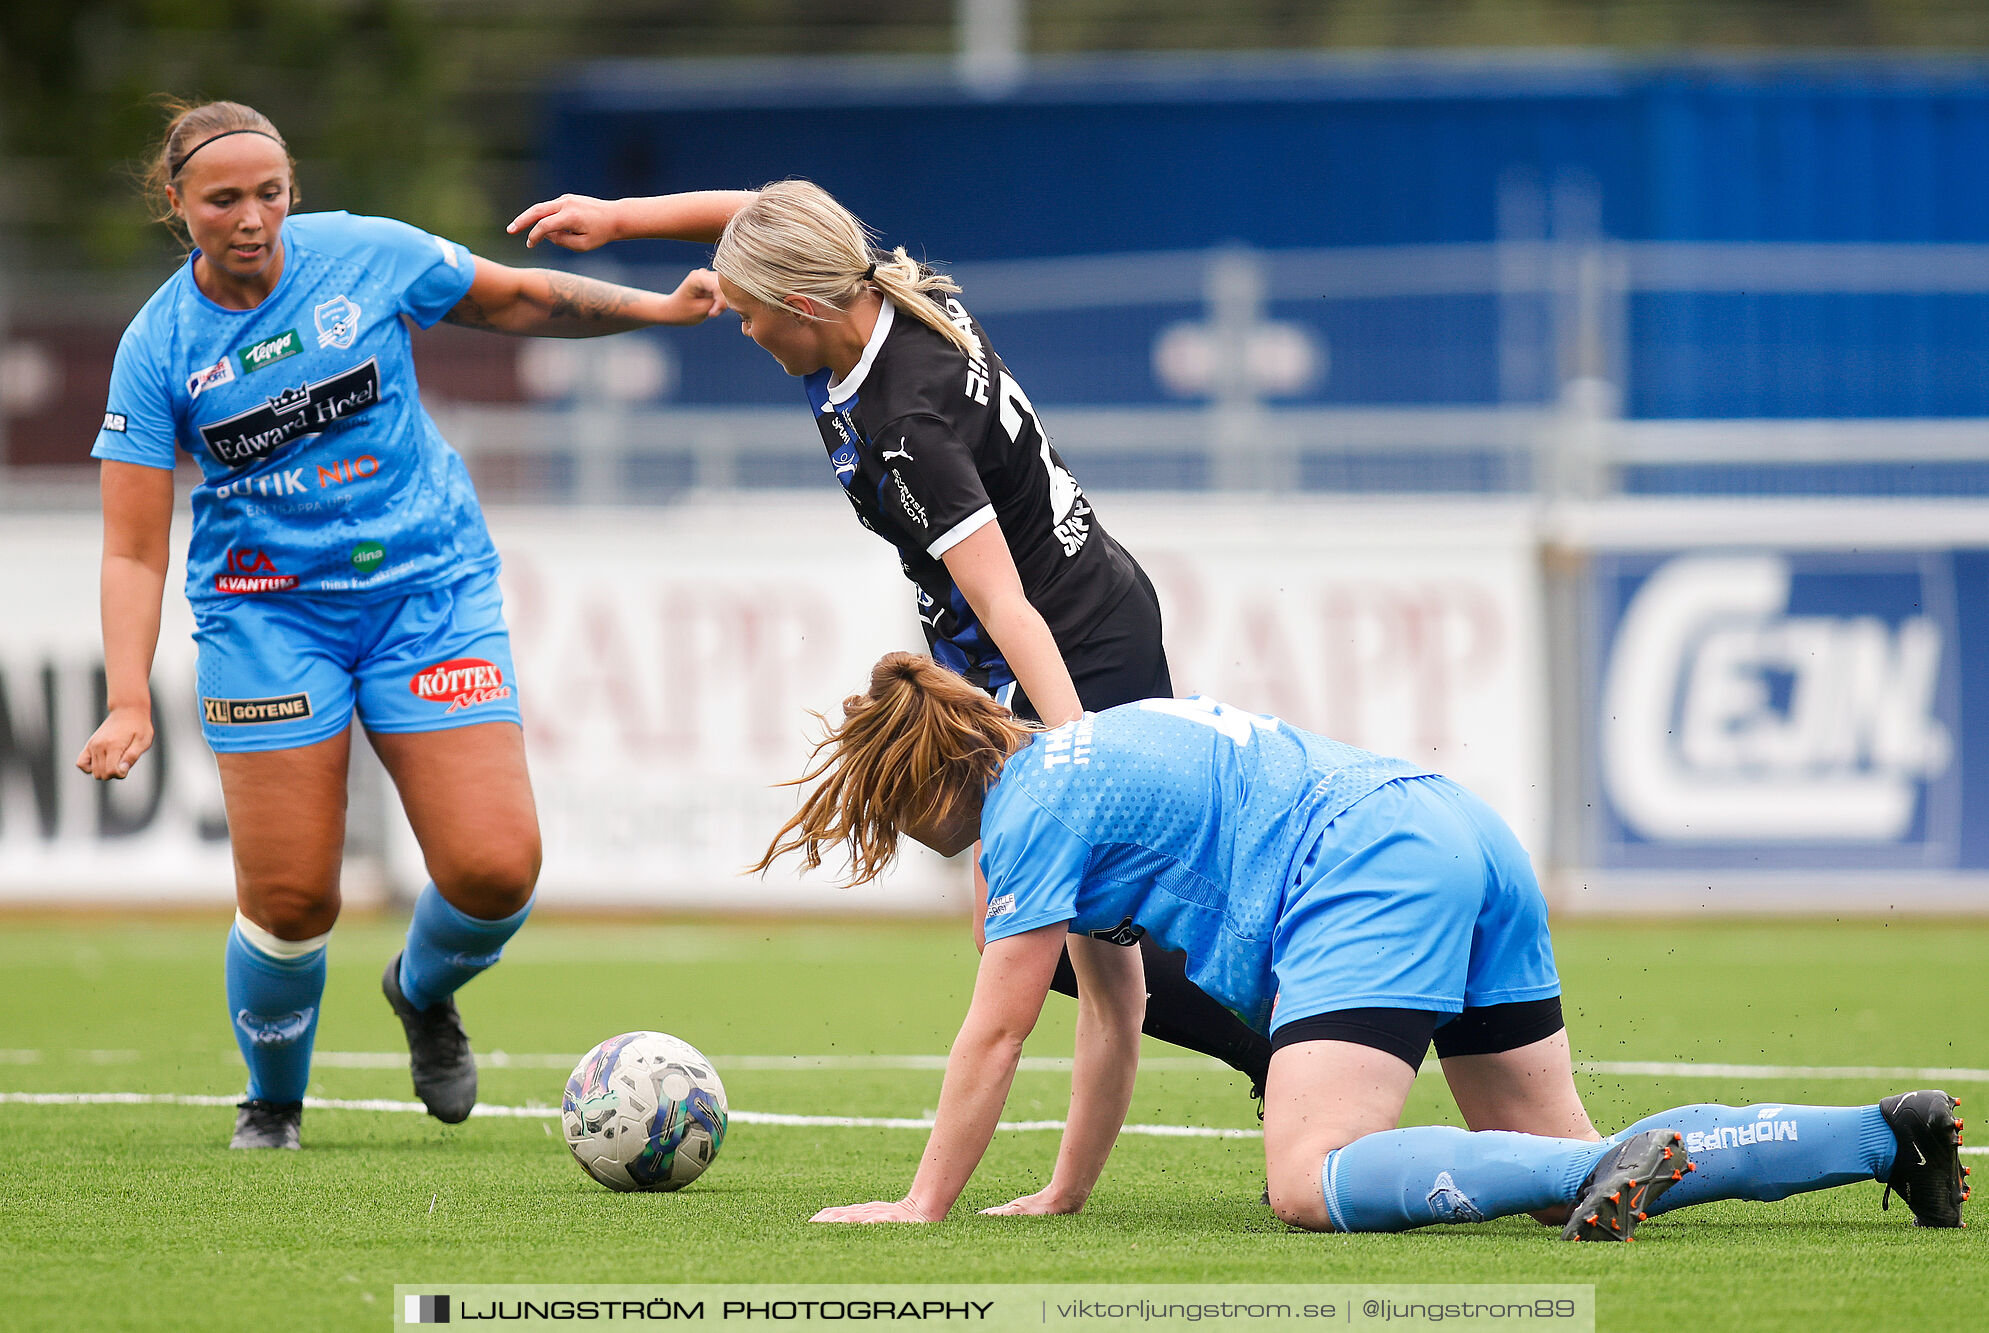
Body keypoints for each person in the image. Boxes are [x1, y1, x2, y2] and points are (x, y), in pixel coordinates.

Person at [509, 181, 1275, 1108]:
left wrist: (1079, 757)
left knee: (1044, 913)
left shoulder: (904, 420)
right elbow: (766, 209)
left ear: (800, 307)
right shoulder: (872, 292)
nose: (740, 331)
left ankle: (1281, 1040)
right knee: (1054, 914)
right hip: (1050, 618)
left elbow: (1006, 603)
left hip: (1066, 640)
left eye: (747, 314)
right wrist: (624, 219)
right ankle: (1250, 1043)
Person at [760, 653, 1970, 1237]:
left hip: (1366, 868)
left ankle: (1591, 1178)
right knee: (1575, 1154)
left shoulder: (1022, 820)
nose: (898, 838)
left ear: (923, 783)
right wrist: (1068, 1189)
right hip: (1456, 829)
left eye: (885, 812)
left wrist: (925, 1205)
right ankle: (1882, 1134)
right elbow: (1109, 1010)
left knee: (1309, 1177)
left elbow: (997, 1026)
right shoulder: (1088, 753)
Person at [75, 100, 726, 1150]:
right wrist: (121, 699)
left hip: (429, 593)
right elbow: (133, 546)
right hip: (265, 617)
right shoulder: (158, 347)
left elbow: (513, 298)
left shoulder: (366, 255)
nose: (252, 218)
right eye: (224, 199)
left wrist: (659, 311)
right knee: (289, 897)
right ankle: (273, 1102)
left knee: (495, 869)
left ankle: (421, 992)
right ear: (177, 203)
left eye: (270, 193)